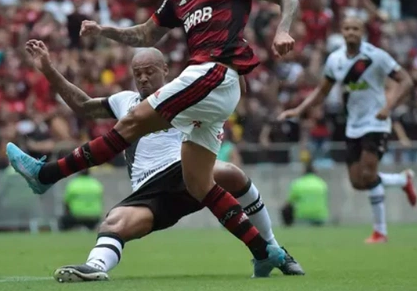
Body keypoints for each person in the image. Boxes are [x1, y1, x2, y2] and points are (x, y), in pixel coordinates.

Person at [6, 0, 299, 277]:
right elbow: (146, 34)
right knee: (199, 184)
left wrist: (283, 29)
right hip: (209, 89)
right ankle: (264, 251)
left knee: (130, 122)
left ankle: (47, 174)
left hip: (214, 72)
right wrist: (105, 31)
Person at [24, 40, 304, 281]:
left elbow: (231, 91)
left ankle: (272, 248)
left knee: (230, 173)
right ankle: (94, 267)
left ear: (165, 70)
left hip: (187, 172)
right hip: (150, 191)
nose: (143, 78)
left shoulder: (185, 92)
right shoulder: (125, 100)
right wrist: (49, 70)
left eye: (149, 72)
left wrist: (234, 64)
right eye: (138, 74)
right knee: (114, 223)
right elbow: (84, 106)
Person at [278, 16, 416, 243]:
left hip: (376, 123)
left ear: (362, 32)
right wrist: (299, 109)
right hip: (353, 125)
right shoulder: (335, 60)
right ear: (342, 32)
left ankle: (380, 232)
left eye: (356, 28)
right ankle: (402, 180)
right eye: (347, 28)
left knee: (369, 174)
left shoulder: (376, 56)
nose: (351, 32)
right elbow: (322, 91)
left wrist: (388, 107)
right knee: (357, 182)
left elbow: (407, 81)